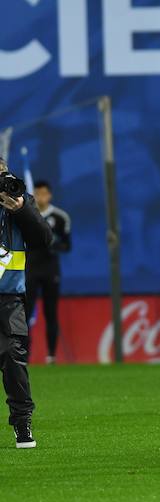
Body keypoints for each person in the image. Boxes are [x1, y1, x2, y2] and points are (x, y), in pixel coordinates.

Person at [0, 158, 52, 448]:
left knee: (13, 358)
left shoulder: (21, 201)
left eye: (4, 175)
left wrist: (22, 211)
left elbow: (44, 239)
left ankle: (22, 424)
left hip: (8, 298)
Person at [25, 180, 72, 364]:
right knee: (26, 313)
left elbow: (67, 245)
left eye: (44, 193)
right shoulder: (27, 215)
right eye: (37, 193)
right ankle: (25, 356)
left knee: (50, 313)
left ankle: (51, 355)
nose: (41, 197)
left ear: (49, 195)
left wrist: (53, 244)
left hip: (50, 270)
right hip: (30, 269)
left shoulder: (60, 217)